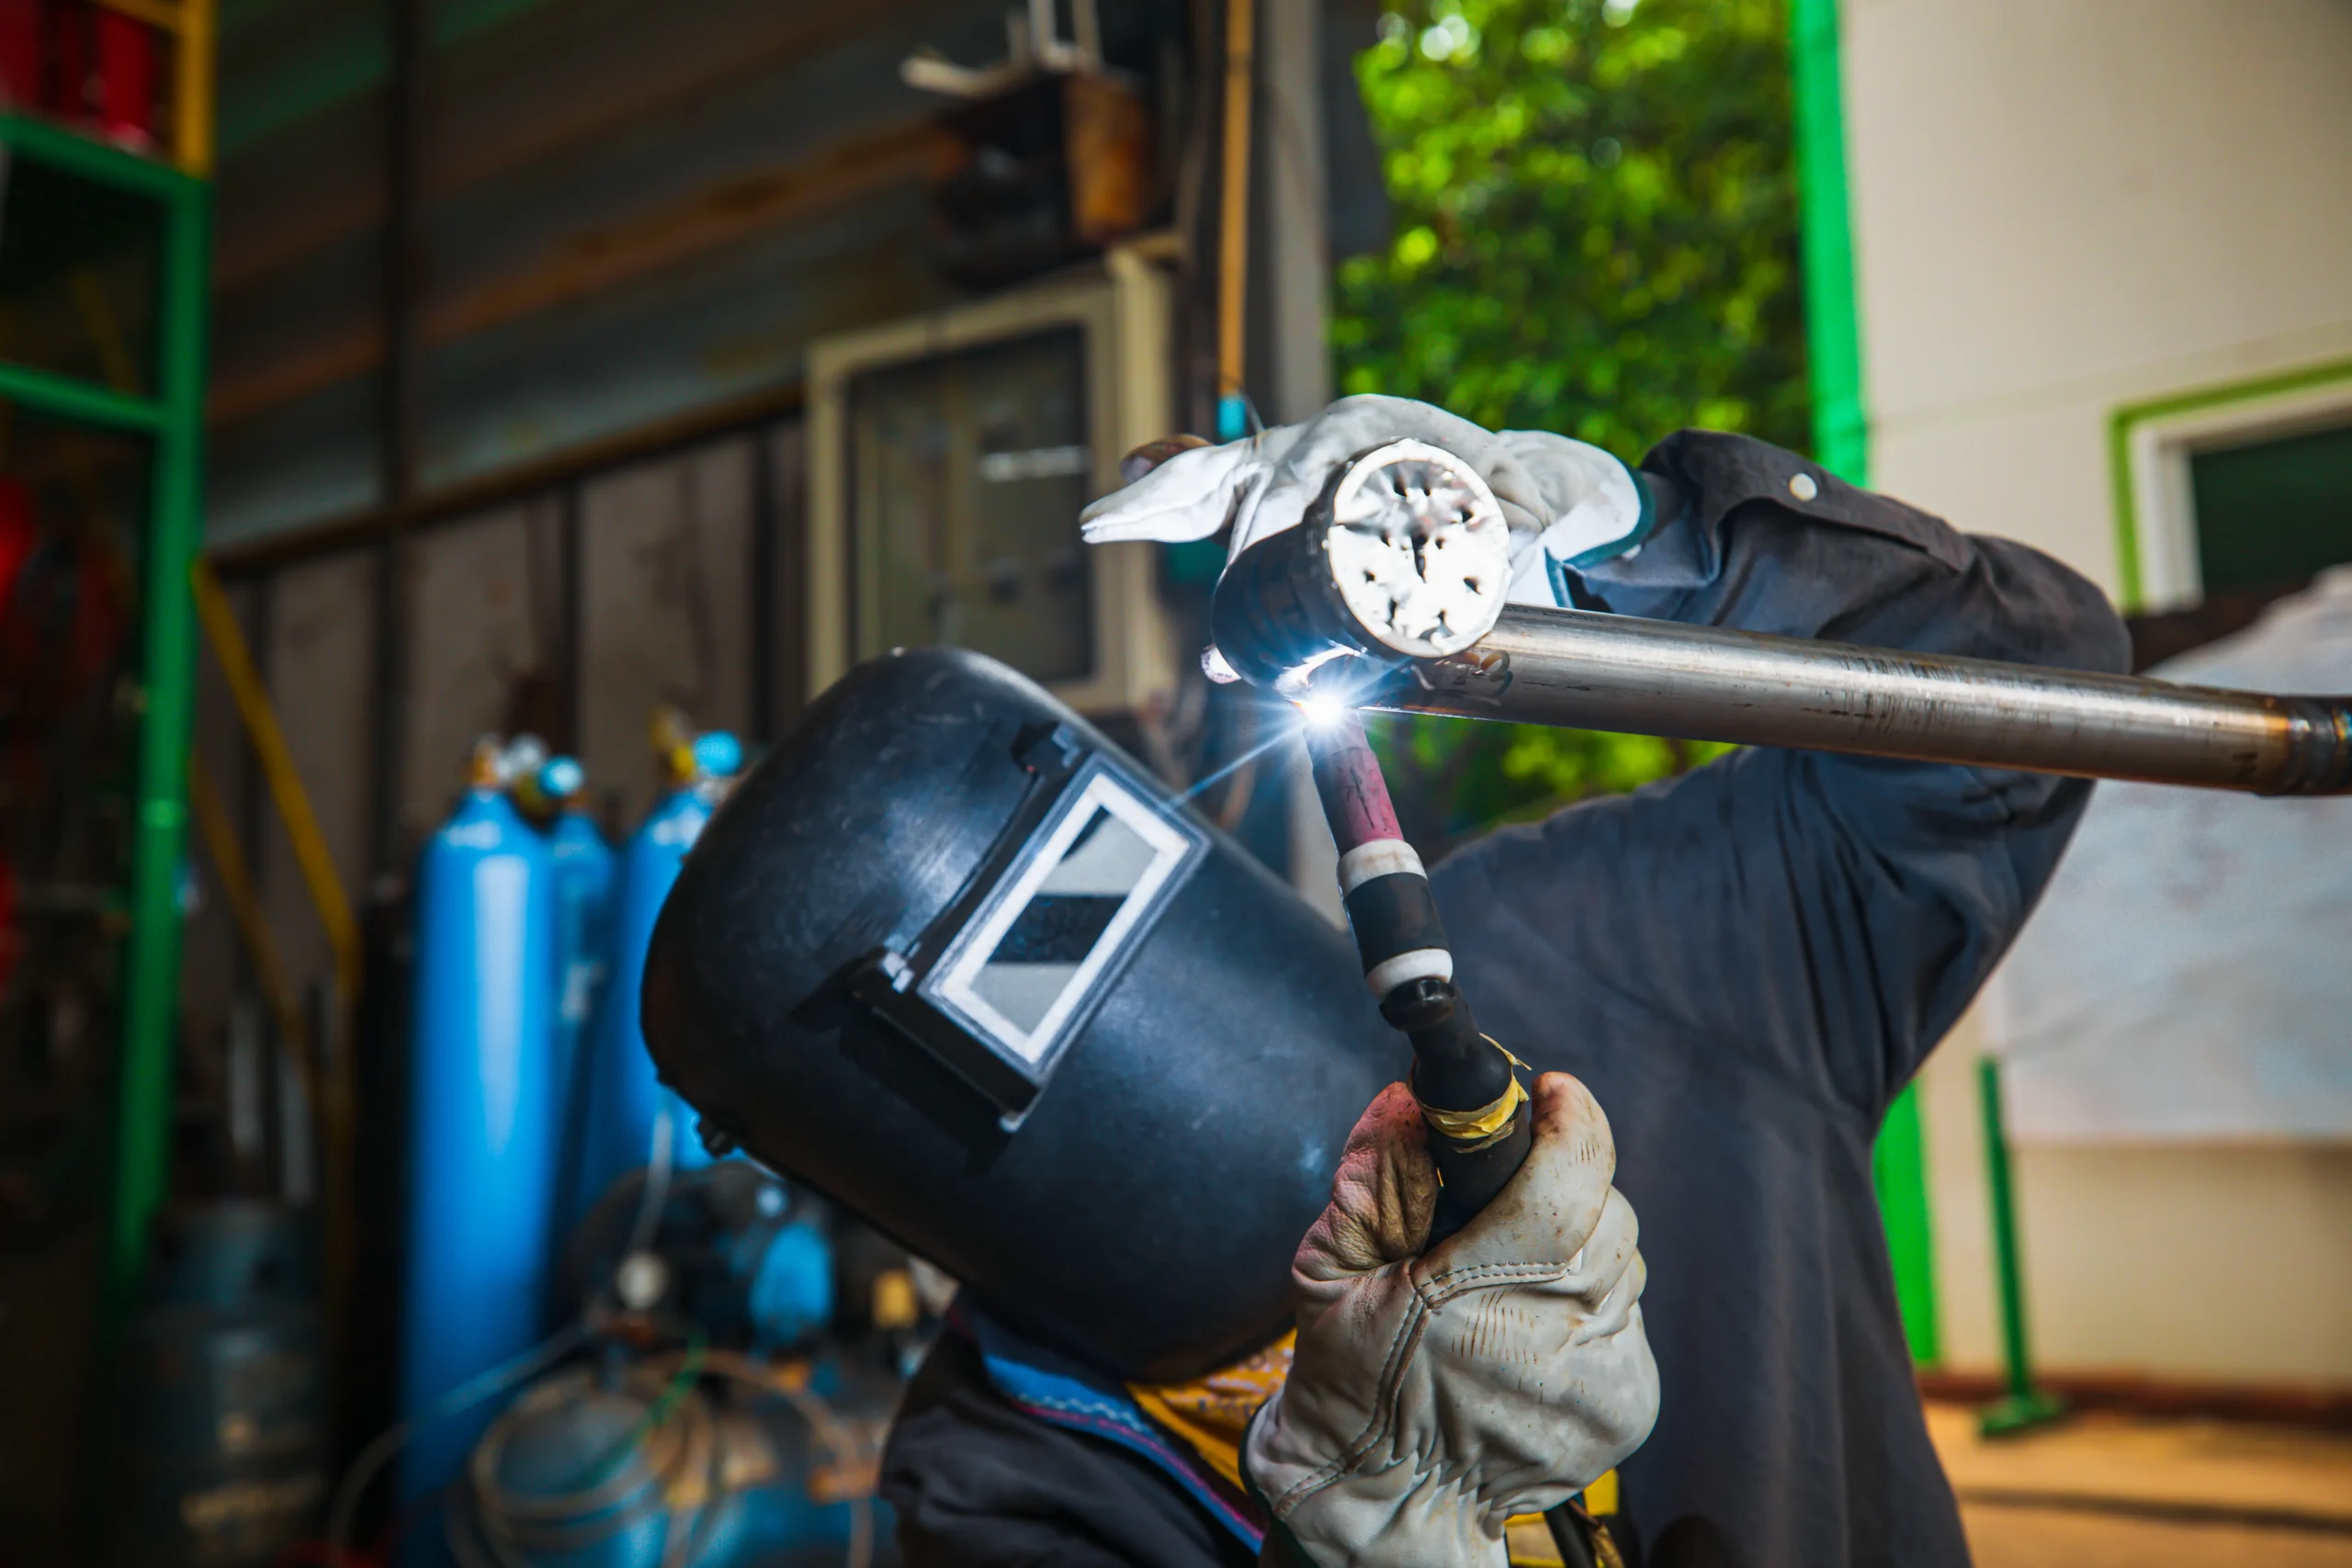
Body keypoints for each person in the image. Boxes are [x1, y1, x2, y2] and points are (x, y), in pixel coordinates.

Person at [879, 398, 2131, 1567]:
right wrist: (1368, 1518)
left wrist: (1618, 548)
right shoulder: (999, 1471)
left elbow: (2033, 692)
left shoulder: (1593, 941)